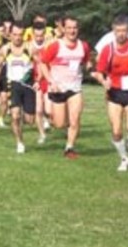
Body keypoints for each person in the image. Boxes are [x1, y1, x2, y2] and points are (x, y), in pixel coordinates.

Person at [92, 14, 128, 171]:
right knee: (116, 130)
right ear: (113, 31)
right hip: (114, 94)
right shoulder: (108, 50)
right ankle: (124, 159)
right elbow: (99, 72)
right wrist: (104, 81)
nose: (121, 34)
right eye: (118, 31)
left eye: (124, 30)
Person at [39, 15, 92, 159]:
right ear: (63, 29)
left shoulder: (83, 46)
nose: (72, 31)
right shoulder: (56, 45)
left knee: (75, 120)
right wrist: (50, 81)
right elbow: (42, 63)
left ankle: (69, 148)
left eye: (75, 28)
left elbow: (86, 61)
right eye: (69, 28)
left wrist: (89, 66)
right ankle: (55, 119)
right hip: (58, 89)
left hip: (75, 88)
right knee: (59, 123)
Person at [0, 23, 37, 153]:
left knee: (30, 120)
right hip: (13, 85)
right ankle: (19, 142)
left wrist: (39, 80)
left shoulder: (30, 48)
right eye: (15, 34)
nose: (18, 38)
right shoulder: (5, 49)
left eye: (20, 35)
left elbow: (40, 64)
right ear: (10, 34)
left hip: (28, 85)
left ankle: (23, 116)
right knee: (15, 116)